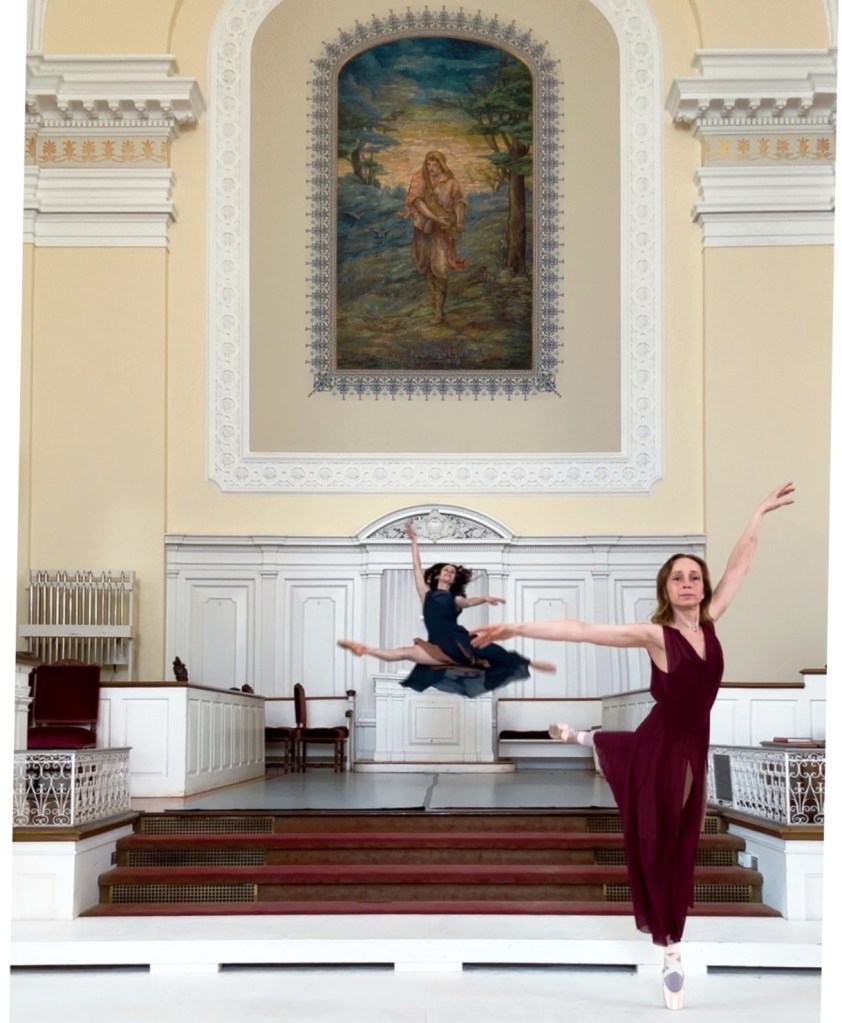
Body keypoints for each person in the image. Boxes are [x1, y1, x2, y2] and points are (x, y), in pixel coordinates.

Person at [469, 483, 795, 1010]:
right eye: (677, 577)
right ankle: (671, 951)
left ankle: (584, 737)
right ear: (666, 588)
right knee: (660, 842)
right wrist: (516, 626)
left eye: (694, 576)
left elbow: (741, 564)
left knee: (682, 840)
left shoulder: (711, 620)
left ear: (702, 586)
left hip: (692, 744)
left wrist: (757, 513)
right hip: (664, 745)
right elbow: (582, 629)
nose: (687, 583)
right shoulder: (654, 634)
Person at [338, 521, 555, 697]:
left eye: (452, 572)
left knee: (492, 650)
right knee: (404, 652)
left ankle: (530, 663)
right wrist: (414, 540)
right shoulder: (426, 594)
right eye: (446, 570)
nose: (449, 573)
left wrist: (484, 598)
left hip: (458, 644)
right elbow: (416, 566)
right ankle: (365, 650)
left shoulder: (455, 598)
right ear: (438, 575)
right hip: (437, 648)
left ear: (453, 579)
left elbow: (468, 602)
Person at [405, 150, 470, 324]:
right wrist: (434, 217)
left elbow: (459, 202)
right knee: (425, 264)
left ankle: (438, 311)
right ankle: (434, 298)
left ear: (442, 166)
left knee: (439, 267)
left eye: (435, 165)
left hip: (442, 230)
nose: (431, 168)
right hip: (423, 228)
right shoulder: (419, 178)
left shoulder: (451, 182)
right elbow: (416, 201)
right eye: (429, 164)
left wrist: (460, 220)